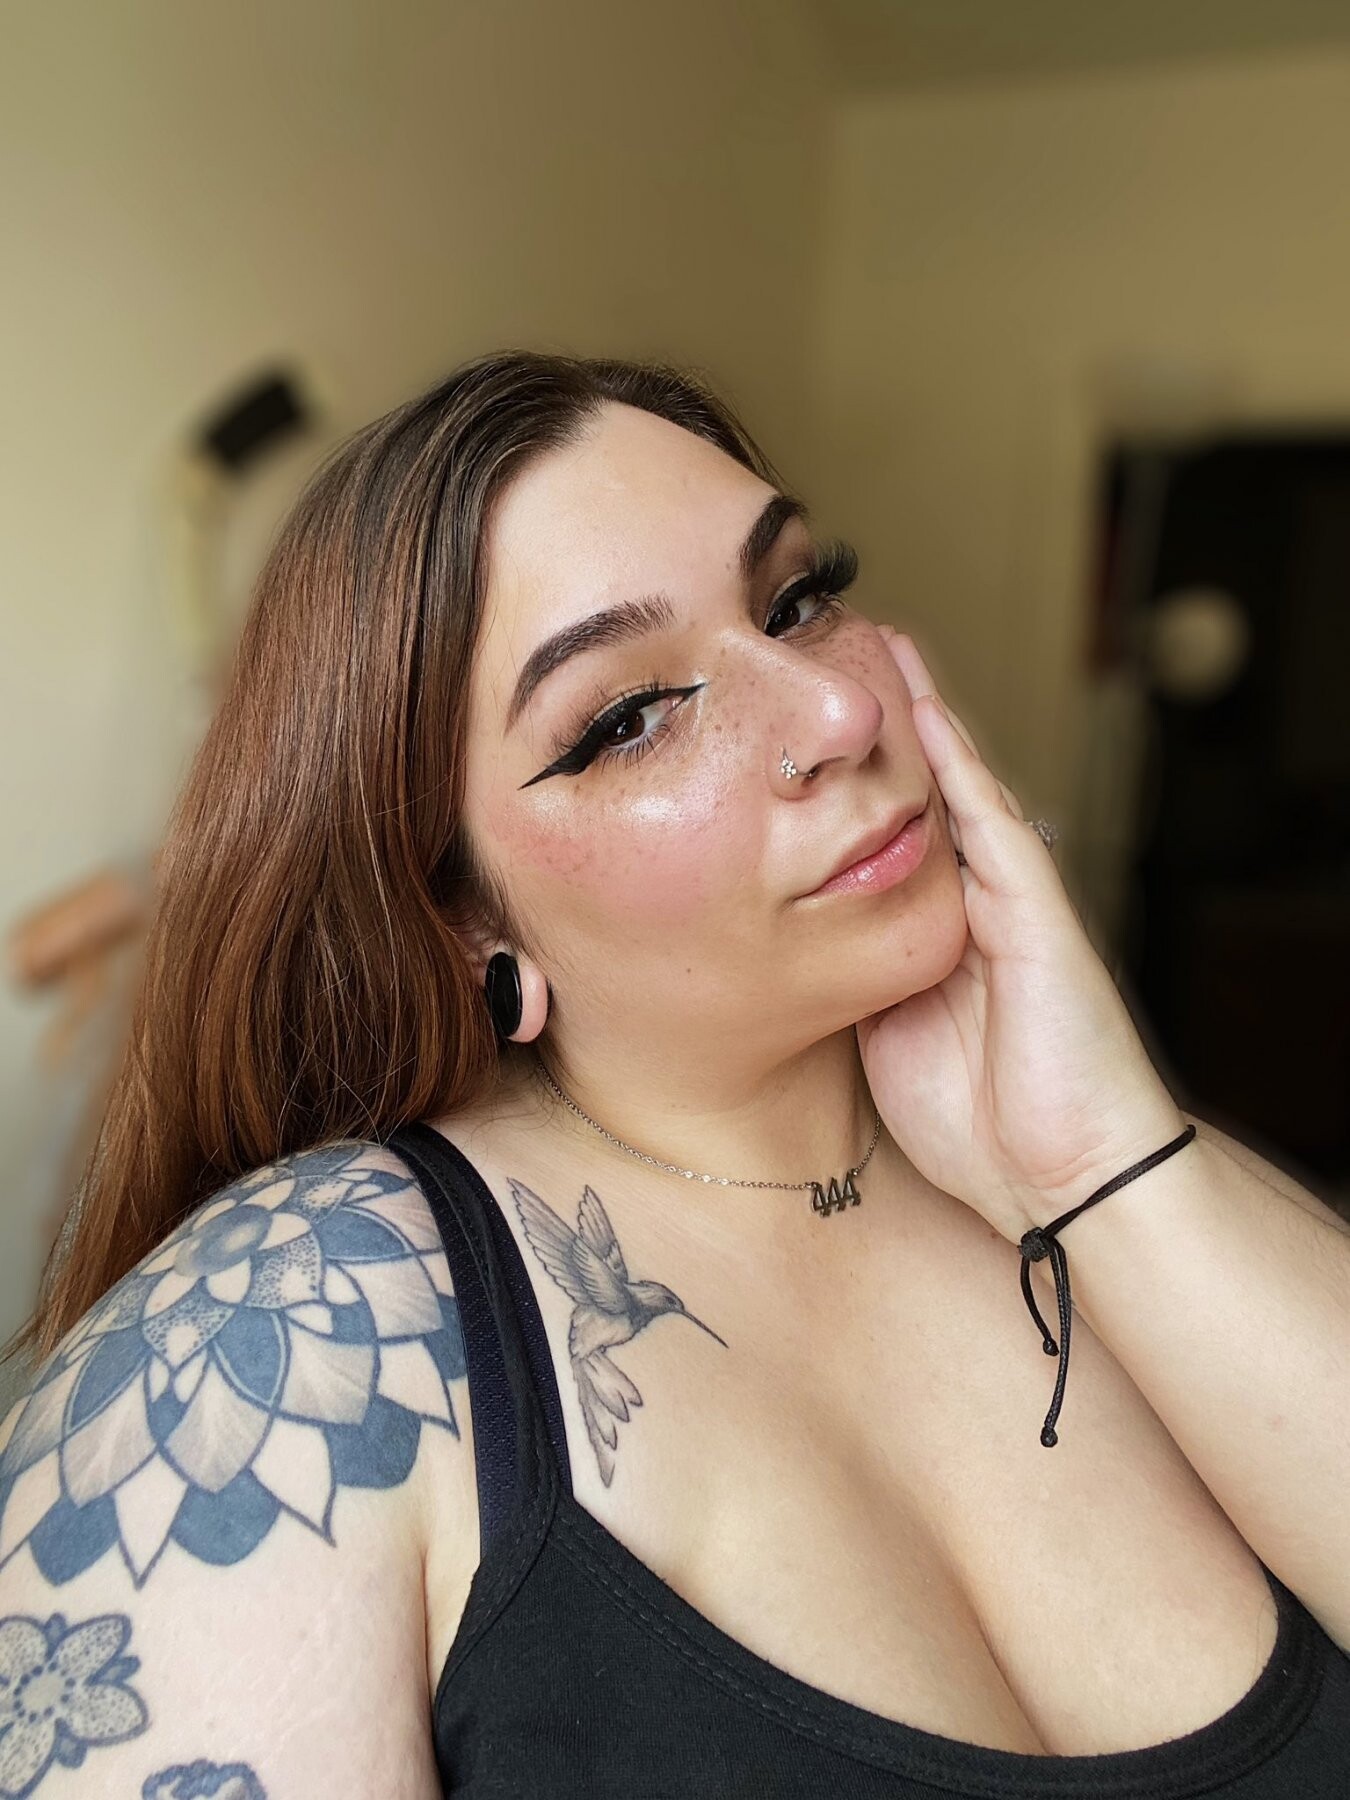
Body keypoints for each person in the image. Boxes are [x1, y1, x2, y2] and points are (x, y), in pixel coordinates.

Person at [1, 350, 1347, 1798]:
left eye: (799, 599)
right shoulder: (291, 1333)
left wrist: (1100, 1165)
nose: (836, 717)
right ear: (456, 918)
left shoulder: (1117, 1190)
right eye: (628, 718)